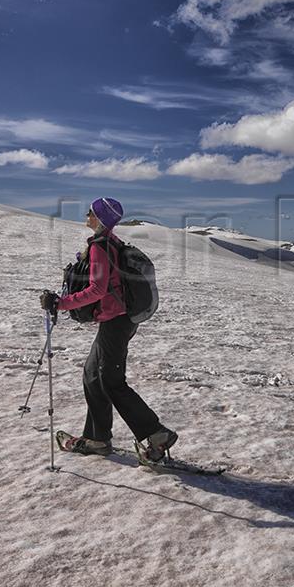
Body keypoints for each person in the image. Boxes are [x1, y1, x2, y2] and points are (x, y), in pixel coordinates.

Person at [39, 197, 177, 463]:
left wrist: (62, 303)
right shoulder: (111, 242)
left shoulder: (100, 247)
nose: (86, 215)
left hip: (118, 322)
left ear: (100, 218)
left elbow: (97, 289)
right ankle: (97, 438)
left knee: (111, 381)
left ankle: (156, 434)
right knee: (93, 375)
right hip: (118, 320)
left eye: (90, 212)